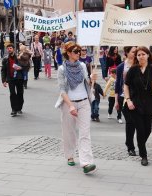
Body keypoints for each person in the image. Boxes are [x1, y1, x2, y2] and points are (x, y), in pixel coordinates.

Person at [55, 41, 96, 174]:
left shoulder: (83, 66)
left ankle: (86, 162)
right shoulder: (62, 70)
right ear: (68, 53)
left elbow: (87, 83)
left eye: (79, 51)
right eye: (75, 52)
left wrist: (92, 78)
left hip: (84, 102)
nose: (79, 53)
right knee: (69, 132)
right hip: (69, 103)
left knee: (85, 133)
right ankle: (70, 155)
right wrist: (71, 106)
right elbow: (62, 90)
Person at [124, 46, 152, 166]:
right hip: (135, 103)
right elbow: (126, 85)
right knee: (140, 129)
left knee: (148, 129)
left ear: (148, 55)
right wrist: (128, 100)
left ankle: (140, 144)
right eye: (138, 55)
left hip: (149, 103)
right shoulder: (133, 69)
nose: (141, 56)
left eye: (143, 54)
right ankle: (144, 155)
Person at [116, 46, 137, 155]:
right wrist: (116, 100)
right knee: (130, 122)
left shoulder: (139, 64)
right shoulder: (121, 66)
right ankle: (130, 146)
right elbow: (117, 83)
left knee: (138, 123)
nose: (135, 53)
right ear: (127, 53)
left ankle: (130, 142)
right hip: (123, 97)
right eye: (133, 51)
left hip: (137, 98)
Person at [1, 43, 25, 116]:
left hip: (19, 78)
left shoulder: (19, 57)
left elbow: (26, 65)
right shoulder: (5, 59)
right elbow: (3, 70)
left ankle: (19, 108)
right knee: (12, 94)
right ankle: (14, 109)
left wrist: (21, 68)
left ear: (13, 49)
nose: (9, 49)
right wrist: (4, 80)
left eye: (10, 48)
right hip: (11, 79)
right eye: (8, 48)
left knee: (20, 93)